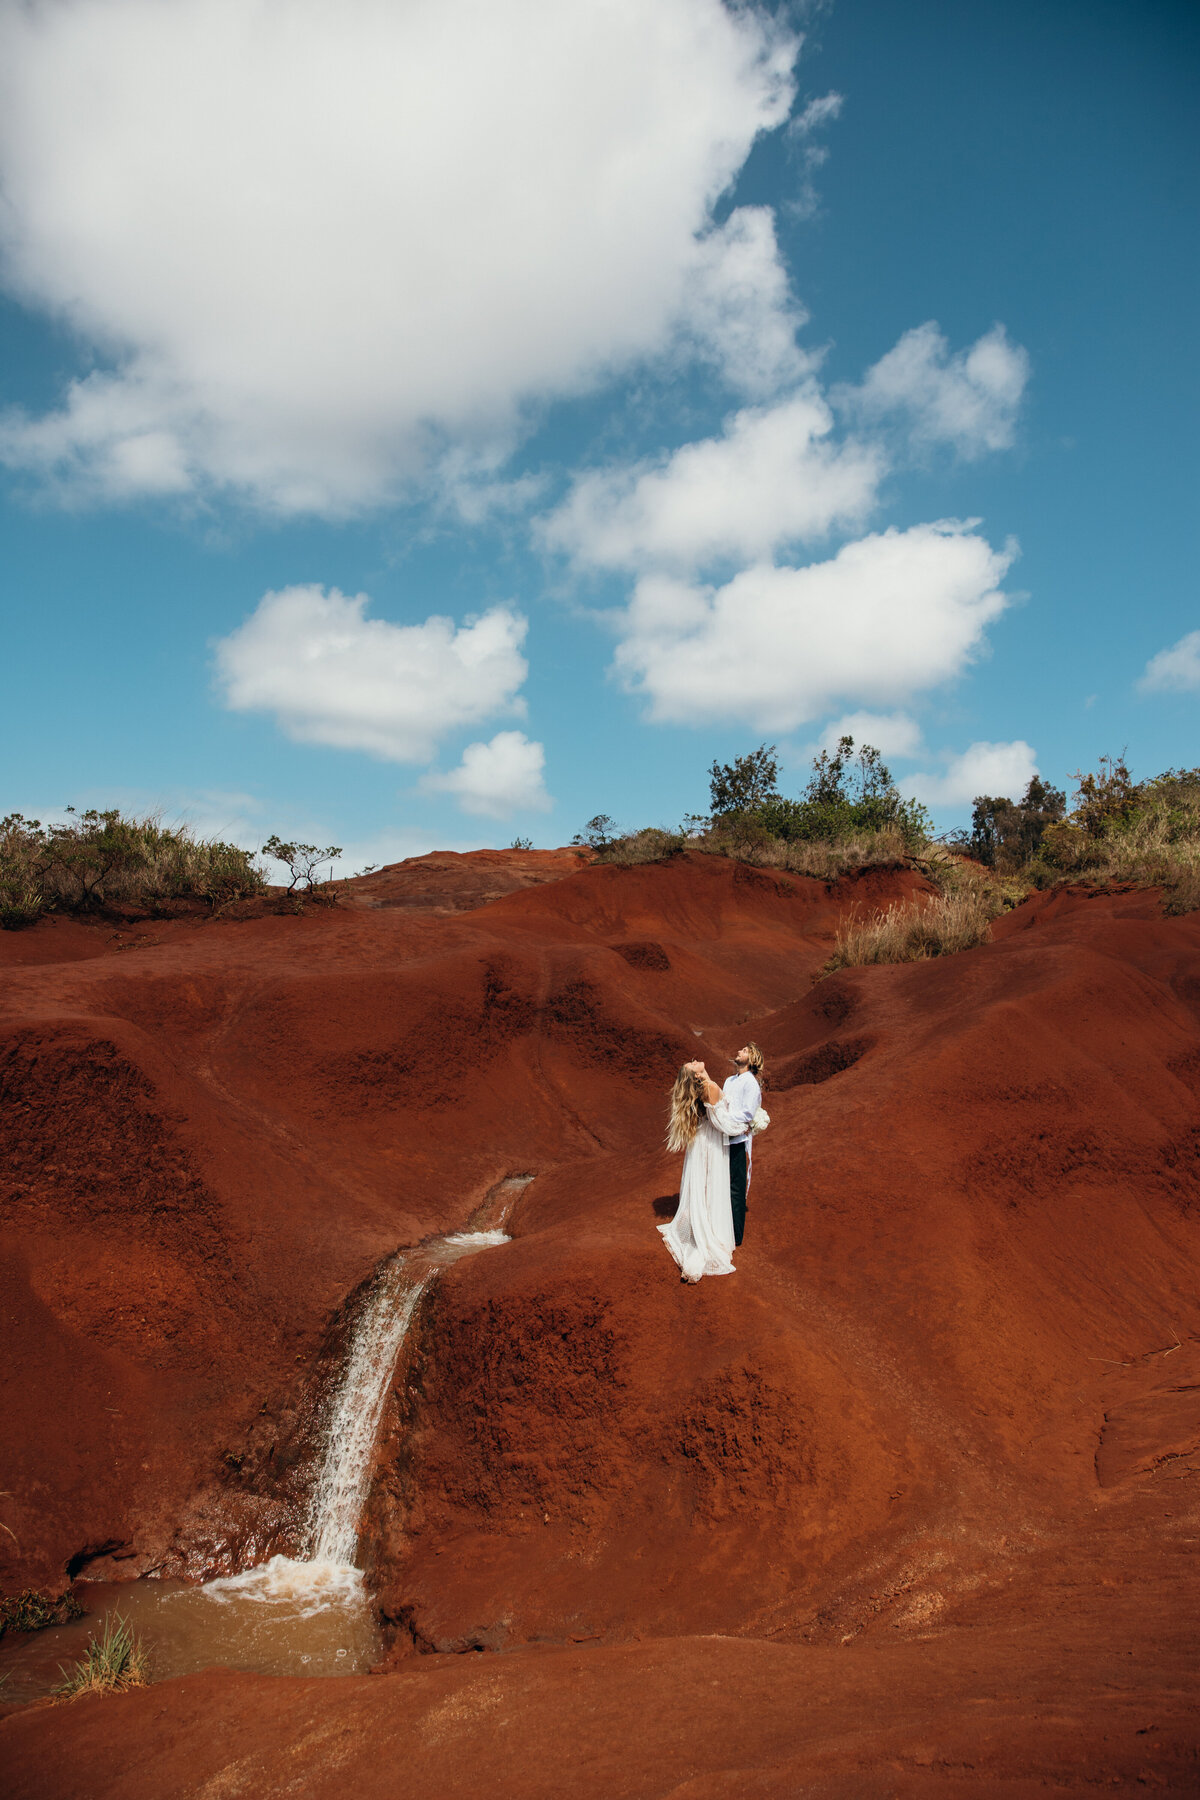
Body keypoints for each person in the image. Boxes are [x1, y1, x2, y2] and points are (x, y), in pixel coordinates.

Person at [659, 1061, 744, 1283]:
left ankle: (700, 1223)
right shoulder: (710, 1088)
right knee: (711, 1185)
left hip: (698, 1144)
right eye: (693, 1064)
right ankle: (708, 1232)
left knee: (703, 1185)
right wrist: (747, 1125)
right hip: (710, 1146)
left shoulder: (702, 1087)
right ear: (695, 1075)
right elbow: (722, 1123)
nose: (696, 1061)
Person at [722, 1044, 764, 1249]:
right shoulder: (729, 1081)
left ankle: (736, 1234)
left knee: (735, 1188)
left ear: (752, 1060)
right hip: (721, 1138)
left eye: (745, 1051)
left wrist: (724, 1118)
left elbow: (748, 1113)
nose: (739, 1051)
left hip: (737, 1141)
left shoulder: (751, 1083)